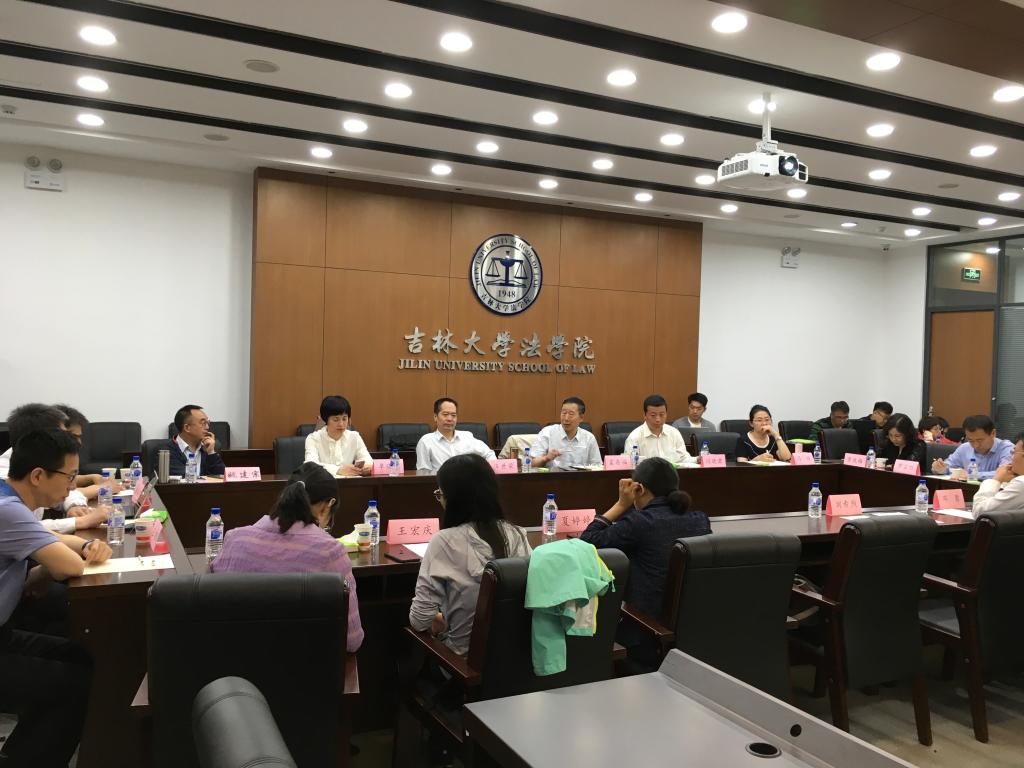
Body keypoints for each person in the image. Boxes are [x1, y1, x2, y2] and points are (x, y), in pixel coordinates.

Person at [0, 430, 110, 768]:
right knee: (76, 683)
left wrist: (87, 545)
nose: (72, 487)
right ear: (37, 475)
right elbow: (69, 565)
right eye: (69, 476)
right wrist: (78, 554)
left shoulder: (11, 502)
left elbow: (51, 537)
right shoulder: (7, 510)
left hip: (4, 633)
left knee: (85, 657)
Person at [211, 462, 363, 652]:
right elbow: (351, 640)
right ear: (328, 505)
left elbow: (212, 612)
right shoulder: (330, 551)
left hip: (234, 661)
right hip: (303, 665)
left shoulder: (234, 539)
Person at [580, 457, 711, 667]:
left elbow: (587, 541)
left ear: (639, 489)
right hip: (690, 634)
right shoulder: (699, 520)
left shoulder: (640, 522)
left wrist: (621, 504)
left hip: (643, 632)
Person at [409, 454, 530, 656]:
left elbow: (419, 620)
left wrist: (439, 619)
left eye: (441, 494)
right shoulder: (517, 534)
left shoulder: (444, 541)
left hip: (463, 664)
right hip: (515, 659)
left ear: (453, 499)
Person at [1, 404, 105, 533]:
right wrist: (80, 521)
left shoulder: (34, 464)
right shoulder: (6, 484)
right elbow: (20, 526)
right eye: (62, 435)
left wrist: (75, 505)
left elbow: (62, 489)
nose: (75, 443)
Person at [415, 398, 495, 473]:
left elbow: (489, 454)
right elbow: (423, 472)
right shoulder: (426, 441)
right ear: (435, 417)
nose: (450, 419)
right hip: (441, 482)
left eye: (453, 415)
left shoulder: (467, 436)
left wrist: (487, 472)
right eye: (445, 414)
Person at [304, 395, 373, 477]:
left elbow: (368, 460)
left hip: (350, 483)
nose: (341, 424)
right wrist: (338, 470)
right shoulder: (313, 439)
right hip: (323, 483)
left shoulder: (354, 437)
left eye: (344, 419)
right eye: (336, 419)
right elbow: (310, 466)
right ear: (326, 420)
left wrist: (366, 467)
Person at [931, 415, 1014, 481]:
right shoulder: (964, 448)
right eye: (971, 440)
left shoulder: (1007, 448)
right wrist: (940, 468)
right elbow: (948, 466)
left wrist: (972, 475)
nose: (975, 445)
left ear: (993, 433)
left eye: (980, 440)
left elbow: (1007, 472)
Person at [531, 397, 601, 469]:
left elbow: (597, 466)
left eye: (571, 414)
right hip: (552, 475)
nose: (566, 418)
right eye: (564, 413)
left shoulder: (589, 438)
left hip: (580, 476)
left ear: (581, 417)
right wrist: (546, 458)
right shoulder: (547, 433)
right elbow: (532, 463)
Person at [624, 395, 694, 464]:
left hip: (670, 471)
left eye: (661, 414)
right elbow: (629, 464)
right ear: (645, 415)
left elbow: (683, 458)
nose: (658, 419)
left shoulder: (674, 433)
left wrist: (697, 459)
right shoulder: (634, 437)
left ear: (666, 414)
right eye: (653, 415)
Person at [165, 404, 226, 477]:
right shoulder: (165, 451)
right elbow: (181, 479)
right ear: (187, 427)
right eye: (203, 423)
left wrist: (211, 453)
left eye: (208, 423)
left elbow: (222, 477)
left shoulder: (209, 447)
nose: (207, 427)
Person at [971, 433, 1024, 514]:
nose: (1011, 457)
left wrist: (996, 480)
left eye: (1013, 452)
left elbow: (979, 511)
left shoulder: (1021, 483)